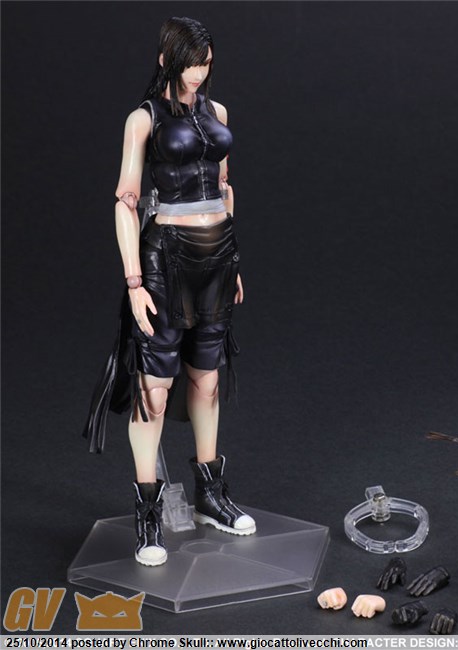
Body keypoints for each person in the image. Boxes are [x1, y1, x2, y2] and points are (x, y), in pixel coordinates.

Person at [83, 16, 255, 567]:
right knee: (153, 390)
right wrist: (134, 281)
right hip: (167, 258)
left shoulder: (217, 112)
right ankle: (148, 510)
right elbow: (126, 201)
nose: (198, 72)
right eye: (190, 62)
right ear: (167, 59)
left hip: (217, 256)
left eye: (206, 62)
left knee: (207, 378)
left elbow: (223, 186)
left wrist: (234, 260)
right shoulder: (145, 118)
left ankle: (210, 493)